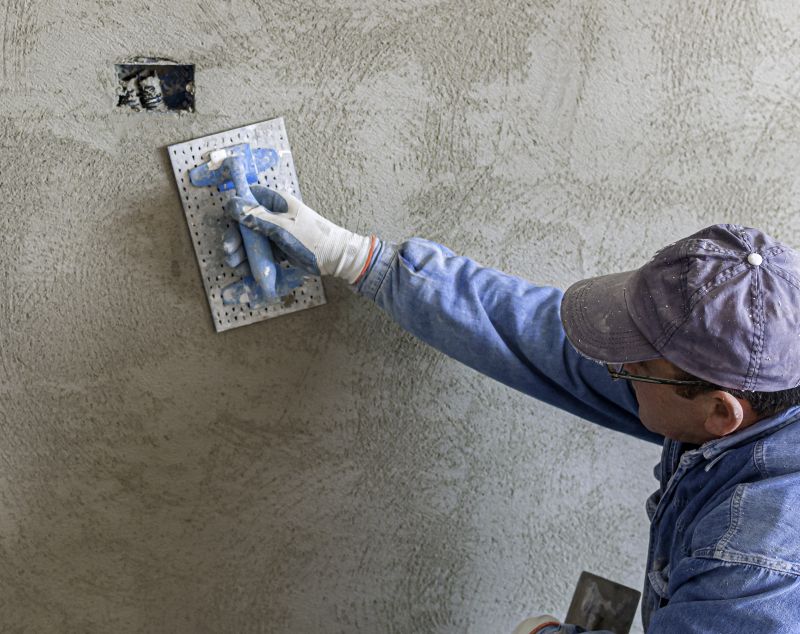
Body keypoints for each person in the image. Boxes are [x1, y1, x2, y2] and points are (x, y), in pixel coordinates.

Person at [223, 186, 800, 633]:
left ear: (721, 413)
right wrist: (359, 259)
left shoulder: (753, 562)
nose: (613, 373)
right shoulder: (760, 375)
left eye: (629, 370)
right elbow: (547, 341)